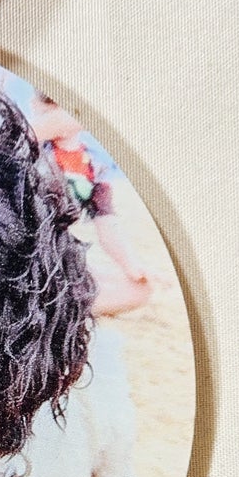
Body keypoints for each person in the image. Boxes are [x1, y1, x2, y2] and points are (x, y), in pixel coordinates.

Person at [28, 91, 153, 316]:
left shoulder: (93, 166)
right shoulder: (27, 149)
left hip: (55, 253)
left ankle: (60, 309)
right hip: (20, 248)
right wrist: (48, 126)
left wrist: (131, 266)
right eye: (50, 105)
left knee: (141, 290)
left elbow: (108, 227)